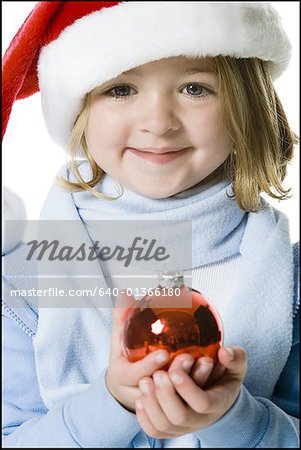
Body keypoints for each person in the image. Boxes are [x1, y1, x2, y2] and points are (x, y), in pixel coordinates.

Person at [2, 2, 299, 448]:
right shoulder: (24, 284)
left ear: (248, 107)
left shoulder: (291, 282)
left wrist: (234, 418)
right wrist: (112, 404)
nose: (158, 123)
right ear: (79, 113)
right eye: (121, 89)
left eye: (195, 88)